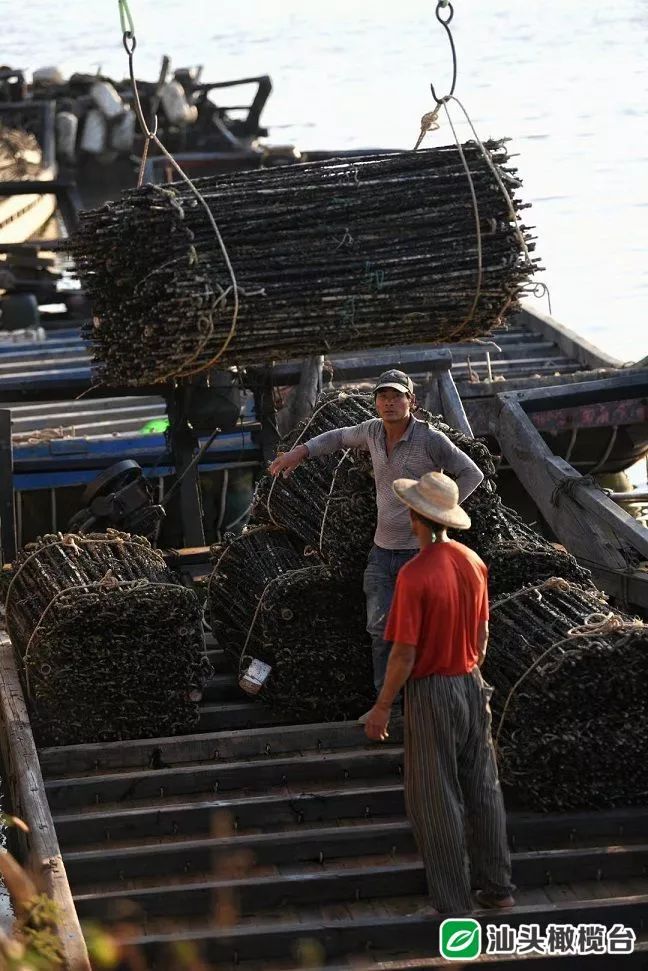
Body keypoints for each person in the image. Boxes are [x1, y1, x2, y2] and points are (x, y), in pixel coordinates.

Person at [268, 369, 484, 701]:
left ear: (411, 401)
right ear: (376, 403)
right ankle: (389, 703)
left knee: (424, 632)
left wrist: (440, 511)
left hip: (422, 553)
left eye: (397, 396)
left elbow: (473, 472)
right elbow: (338, 437)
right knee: (380, 630)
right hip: (382, 553)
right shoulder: (371, 432)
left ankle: (427, 701)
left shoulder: (429, 438)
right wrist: (299, 453)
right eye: (383, 397)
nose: (389, 402)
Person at [363, 471, 515, 915]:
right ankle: (499, 888)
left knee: (435, 797)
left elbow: (404, 655)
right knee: (483, 787)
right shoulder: (472, 561)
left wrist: (382, 706)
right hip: (471, 681)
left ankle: (454, 904)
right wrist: (465, 666)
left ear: (415, 516)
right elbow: (483, 635)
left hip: (433, 689)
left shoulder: (413, 575)